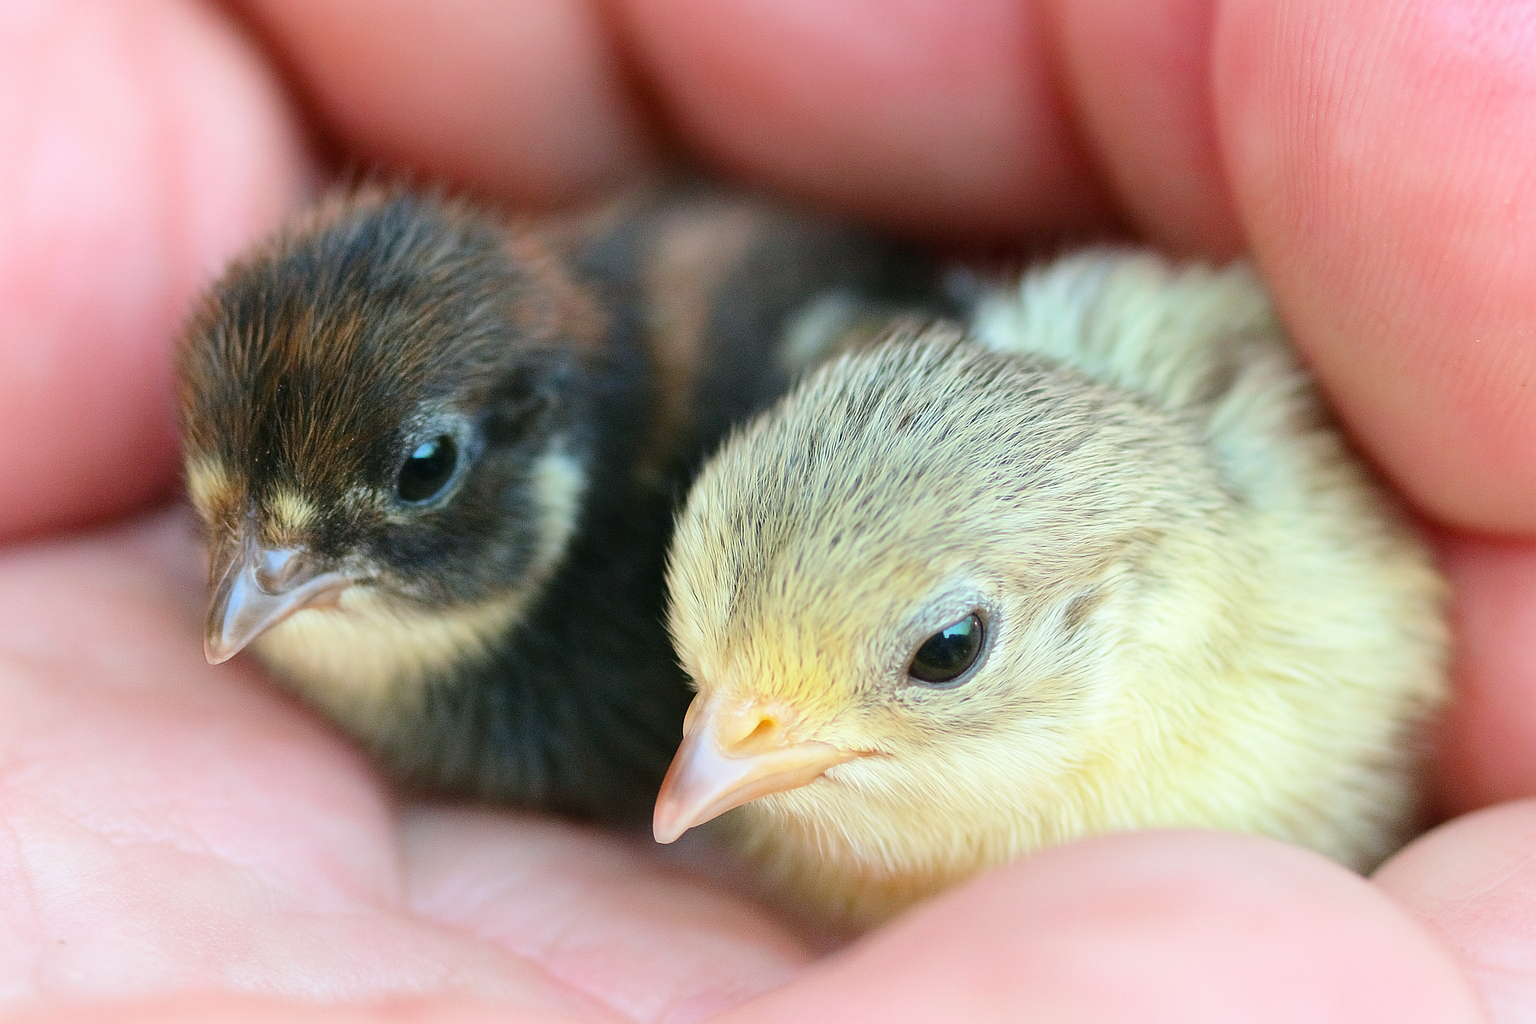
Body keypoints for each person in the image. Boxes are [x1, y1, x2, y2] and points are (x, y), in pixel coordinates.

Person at [0, 0, 1529, 1019]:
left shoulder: (1312, 672)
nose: (708, 763)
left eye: (944, 654)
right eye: (704, 681)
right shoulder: (786, 756)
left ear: (1122, 611)